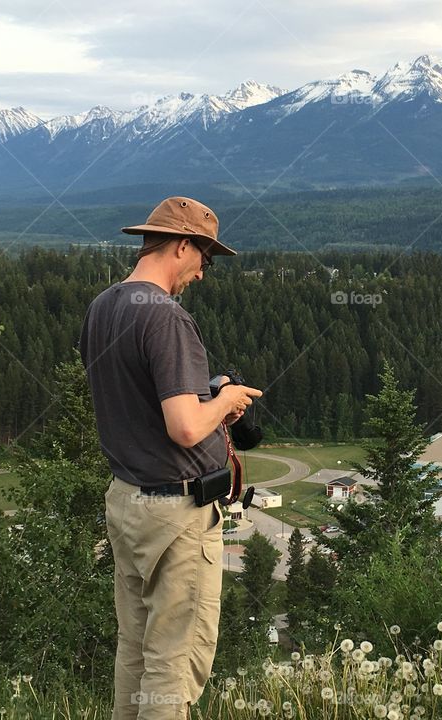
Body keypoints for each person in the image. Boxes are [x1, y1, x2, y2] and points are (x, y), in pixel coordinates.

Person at [78, 196, 262, 720]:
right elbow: (183, 428)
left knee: (135, 652)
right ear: (182, 245)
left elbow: (140, 403)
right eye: (204, 259)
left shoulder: (104, 305)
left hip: (127, 503)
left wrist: (206, 409)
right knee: (174, 663)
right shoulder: (166, 318)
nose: (203, 274)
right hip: (176, 515)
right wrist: (225, 400)